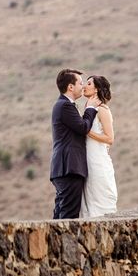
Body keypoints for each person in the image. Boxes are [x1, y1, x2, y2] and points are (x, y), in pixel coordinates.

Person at [50, 69, 100, 219]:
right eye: (80, 83)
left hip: (64, 168)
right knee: (68, 216)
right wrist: (91, 108)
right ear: (70, 87)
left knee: (61, 213)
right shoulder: (65, 106)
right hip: (69, 167)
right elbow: (83, 127)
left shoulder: (64, 105)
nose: (83, 86)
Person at [79, 75, 118, 217]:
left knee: (99, 195)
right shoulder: (88, 108)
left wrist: (87, 132)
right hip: (87, 158)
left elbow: (109, 138)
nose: (84, 86)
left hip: (97, 160)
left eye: (88, 84)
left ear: (96, 90)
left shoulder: (102, 109)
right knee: (89, 196)